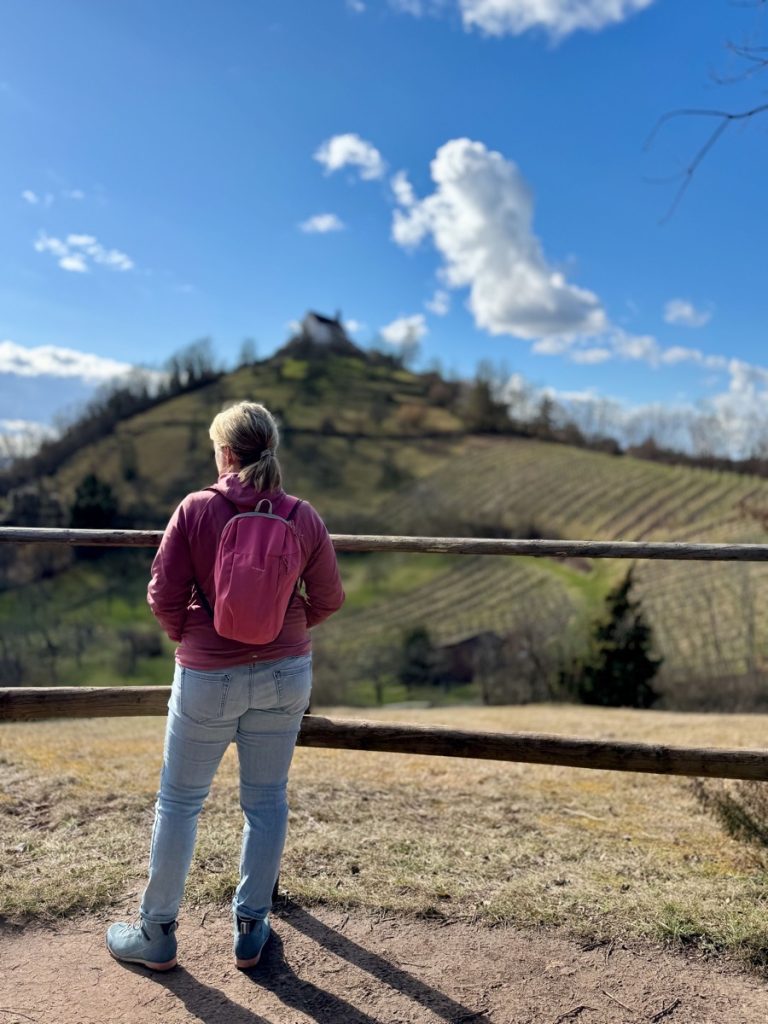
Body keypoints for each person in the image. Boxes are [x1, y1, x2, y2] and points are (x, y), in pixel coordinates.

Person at [106, 401, 345, 971]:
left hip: (207, 674)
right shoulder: (302, 515)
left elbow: (163, 595)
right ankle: (250, 929)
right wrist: (282, 631)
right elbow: (330, 598)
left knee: (180, 802)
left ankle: (157, 932)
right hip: (288, 674)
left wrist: (193, 634)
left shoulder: (195, 509)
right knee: (265, 802)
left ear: (225, 454)